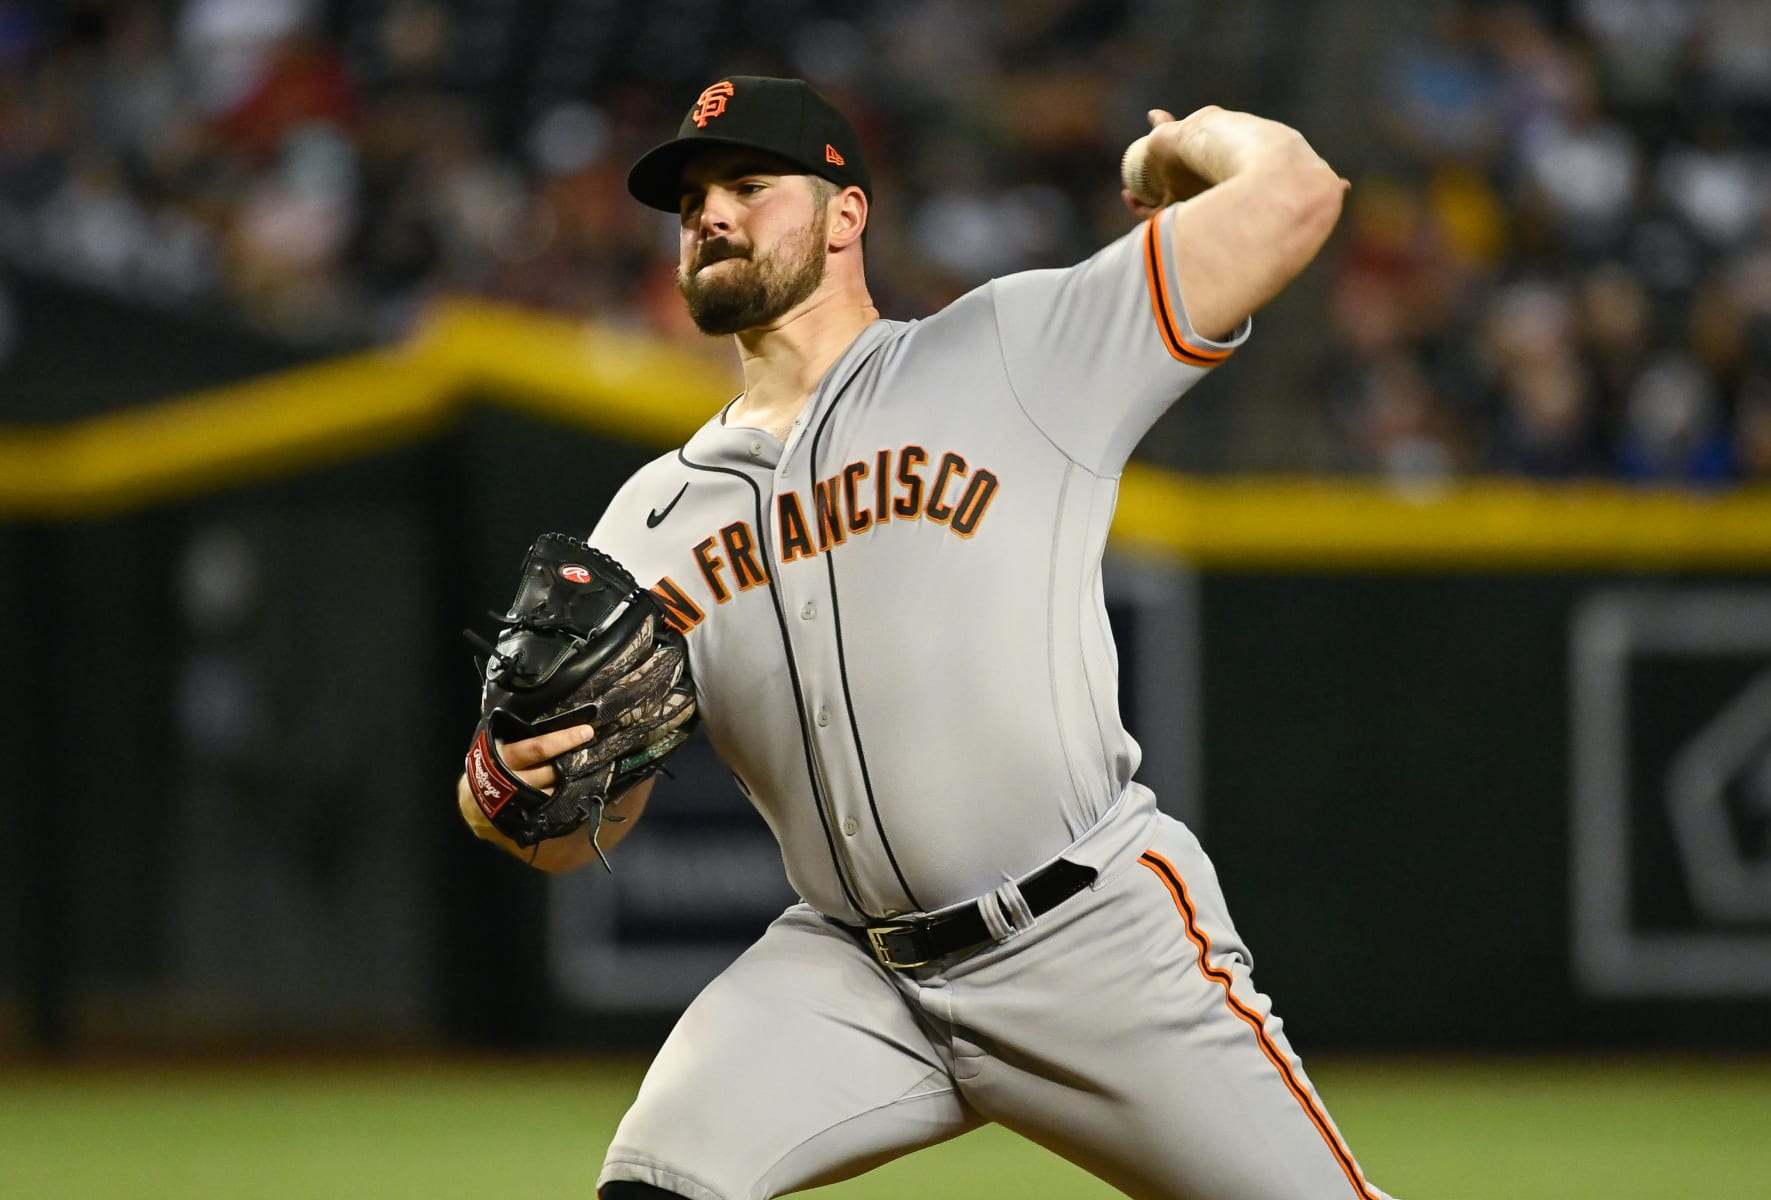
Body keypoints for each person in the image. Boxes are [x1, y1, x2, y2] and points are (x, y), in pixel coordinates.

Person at [457, 75, 1386, 1200]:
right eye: (693, 196)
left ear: (847, 213)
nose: (710, 214)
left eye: (750, 184)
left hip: (1087, 935)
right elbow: (578, 824)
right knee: (654, 1185)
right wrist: (498, 785)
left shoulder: (1012, 352)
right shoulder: (650, 521)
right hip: (852, 973)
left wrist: (1181, 147)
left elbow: (1298, 194)